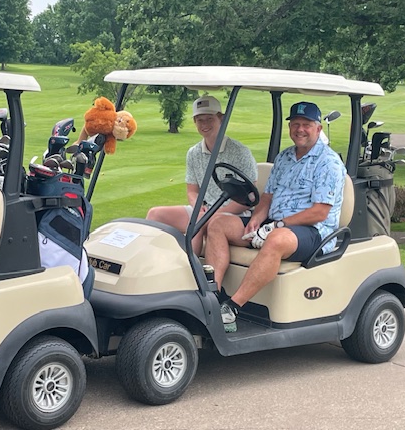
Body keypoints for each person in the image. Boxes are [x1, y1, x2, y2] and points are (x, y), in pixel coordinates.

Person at [204, 101, 346, 333]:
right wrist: (256, 219)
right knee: (219, 223)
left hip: (314, 231)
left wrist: (278, 225)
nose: (300, 129)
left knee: (277, 239)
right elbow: (267, 197)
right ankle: (213, 298)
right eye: (296, 124)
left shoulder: (328, 162)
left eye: (307, 125)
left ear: (318, 129)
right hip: (275, 225)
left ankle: (232, 308)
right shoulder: (284, 157)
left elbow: (320, 212)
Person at [146, 96, 257, 256]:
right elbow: (192, 190)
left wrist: (214, 213)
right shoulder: (194, 153)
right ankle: (154, 262)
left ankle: (189, 266)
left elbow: (249, 199)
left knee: (198, 222)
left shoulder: (240, 152)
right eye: (200, 120)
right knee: (154, 214)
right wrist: (197, 205)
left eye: (209, 119)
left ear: (221, 119)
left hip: (234, 214)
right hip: (204, 210)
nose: (204, 124)